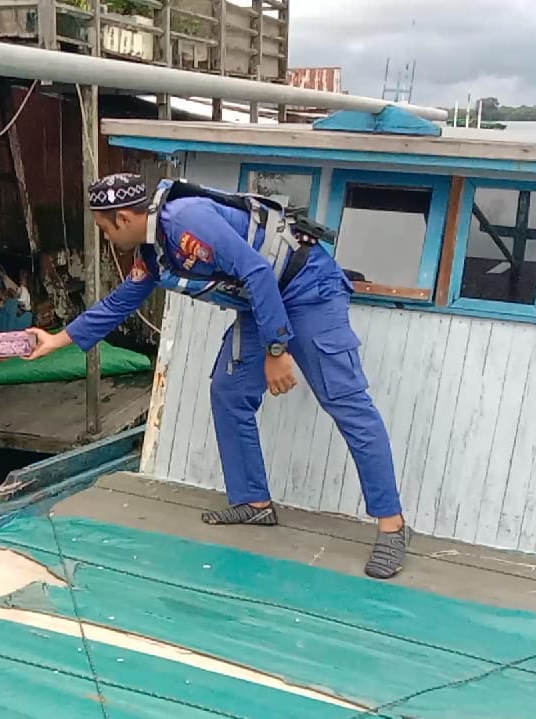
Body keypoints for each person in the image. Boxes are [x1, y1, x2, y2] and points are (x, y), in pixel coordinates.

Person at [23, 174, 411, 579]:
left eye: (104, 228)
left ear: (122, 218)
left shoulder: (186, 219)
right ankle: (254, 503)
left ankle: (392, 525)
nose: (105, 237)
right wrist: (57, 341)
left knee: (347, 403)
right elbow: (122, 301)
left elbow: (257, 270)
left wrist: (277, 350)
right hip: (261, 302)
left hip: (307, 290)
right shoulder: (153, 250)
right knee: (229, 391)